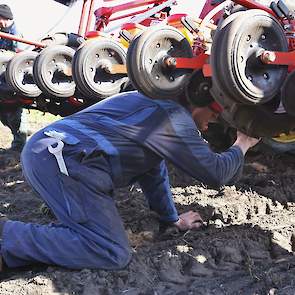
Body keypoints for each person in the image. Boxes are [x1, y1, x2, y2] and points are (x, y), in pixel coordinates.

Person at [0, 90, 259, 270]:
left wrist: (172, 219)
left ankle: (11, 248)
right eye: (213, 116)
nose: (210, 125)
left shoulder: (149, 104)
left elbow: (153, 172)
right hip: (65, 161)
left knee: (94, 237)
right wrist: (242, 144)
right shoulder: (174, 118)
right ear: (200, 100)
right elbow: (215, 173)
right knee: (110, 251)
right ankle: (8, 235)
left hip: (51, 155)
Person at [0, 4, 27, 152]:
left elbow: (20, 57)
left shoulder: (15, 33)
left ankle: (20, 146)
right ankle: (18, 140)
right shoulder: (2, 33)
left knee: (15, 113)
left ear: (4, 18)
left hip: (12, 79)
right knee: (4, 114)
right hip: (2, 80)